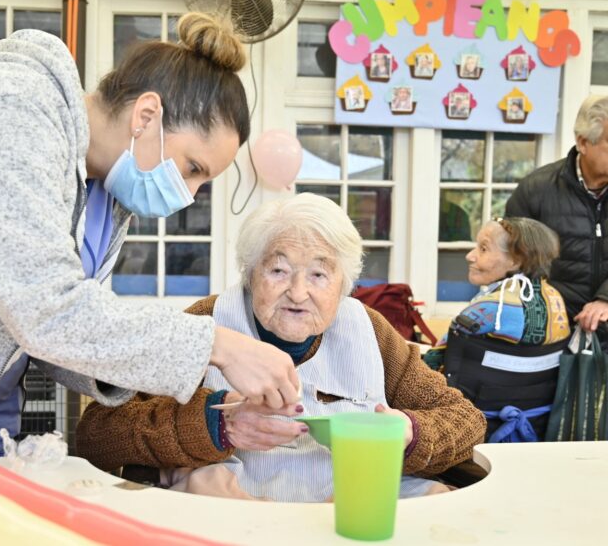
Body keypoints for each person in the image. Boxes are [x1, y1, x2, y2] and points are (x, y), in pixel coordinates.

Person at [0, 13, 300, 457]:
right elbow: (47, 310)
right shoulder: (5, 109)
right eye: (193, 167)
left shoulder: (105, 195)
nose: (190, 193)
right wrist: (217, 345)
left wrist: (200, 388)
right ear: (145, 115)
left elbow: (61, 336)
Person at [77, 193, 486, 502]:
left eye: (319, 275)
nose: (298, 292)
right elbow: (99, 434)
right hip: (237, 517)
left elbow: (465, 421)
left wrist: (409, 433)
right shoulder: (206, 321)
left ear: (344, 284)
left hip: (348, 511)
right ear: (250, 273)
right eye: (278, 269)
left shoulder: (368, 330)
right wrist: (217, 425)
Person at [506, 94, 608, 341]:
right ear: (583, 142)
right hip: (551, 334)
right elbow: (512, 262)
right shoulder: (535, 190)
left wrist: (605, 299)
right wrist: (546, 313)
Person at [424, 218, 571, 371]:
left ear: (515, 260)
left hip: (476, 393)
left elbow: (432, 362)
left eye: (483, 249)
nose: (470, 256)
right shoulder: (554, 297)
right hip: (535, 393)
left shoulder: (494, 306)